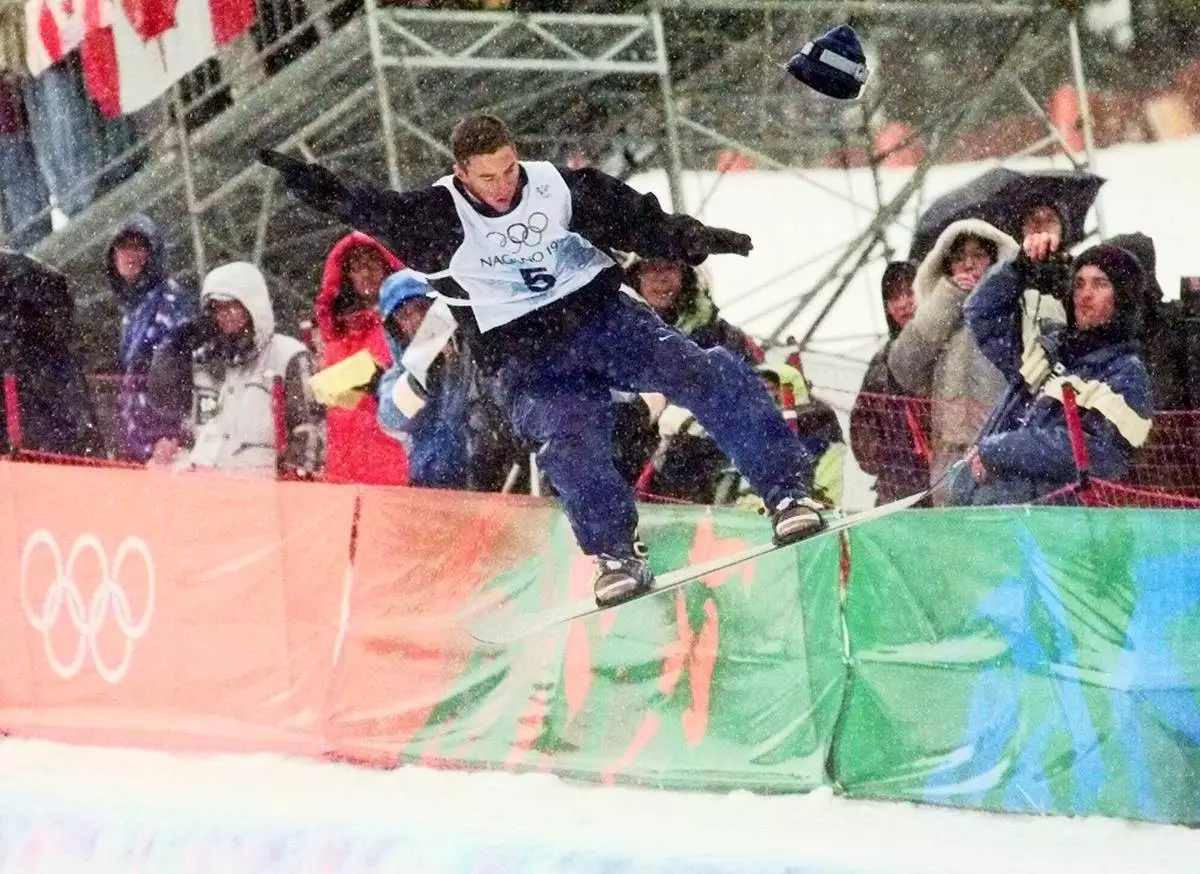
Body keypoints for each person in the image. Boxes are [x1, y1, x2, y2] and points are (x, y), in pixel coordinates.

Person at [260, 113, 824, 606]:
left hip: (602, 319)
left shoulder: (556, 187)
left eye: (509, 169)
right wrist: (317, 187)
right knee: (568, 436)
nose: (504, 185)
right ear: (462, 175)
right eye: (488, 176)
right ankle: (614, 555)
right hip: (525, 355)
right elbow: (367, 208)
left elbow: (634, 218)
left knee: (699, 370)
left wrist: (691, 239)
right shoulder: (437, 217)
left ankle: (788, 489)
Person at [949, 235, 1153, 505]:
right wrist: (1021, 267)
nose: (1085, 294)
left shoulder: (1126, 373)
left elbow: (1101, 455)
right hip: (985, 513)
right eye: (1078, 284)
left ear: (1123, 297)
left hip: (1047, 530)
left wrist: (1001, 450)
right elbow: (981, 313)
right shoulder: (1049, 349)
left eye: (1100, 284)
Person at [146, 262, 324, 478]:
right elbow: (169, 408)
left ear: (252, 306)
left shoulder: (288, 356)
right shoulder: (204, 359)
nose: (225, 315)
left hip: (264, 488)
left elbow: (309, 429)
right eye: (217, 308)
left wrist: (297, 481)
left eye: (233, 306)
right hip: (207, 486)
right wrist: (174, 348)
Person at [374, 268, 523, 491]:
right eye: (404, 316)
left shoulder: (476, 349)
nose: (416, 320)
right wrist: (422, 370)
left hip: (491, 481)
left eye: (423, 308)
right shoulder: (402, 371)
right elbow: (390, 417)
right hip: (433, 490)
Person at [315, 232, 411, 485]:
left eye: (372, 264)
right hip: (342, 471)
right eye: (356, 267)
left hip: (393, 469)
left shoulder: (406, 325)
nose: (365, 274)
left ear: (387, 266)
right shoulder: (338, 335)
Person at [106, 215, 196, 463]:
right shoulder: (133, 308)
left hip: (164, 448)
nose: (129, 255)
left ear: (153, 254)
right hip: (137, 446)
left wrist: (173, 434)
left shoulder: (171, 302)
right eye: (123, 247)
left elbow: (187, 374)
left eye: (139, 247)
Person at [849, 261, 931, 505]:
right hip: (897, 491)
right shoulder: (879, 365)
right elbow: (862, 433)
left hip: (945, 481)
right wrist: (889, 458)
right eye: (893, 297)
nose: (903, 303)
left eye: (909, 293)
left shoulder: (949, 350)